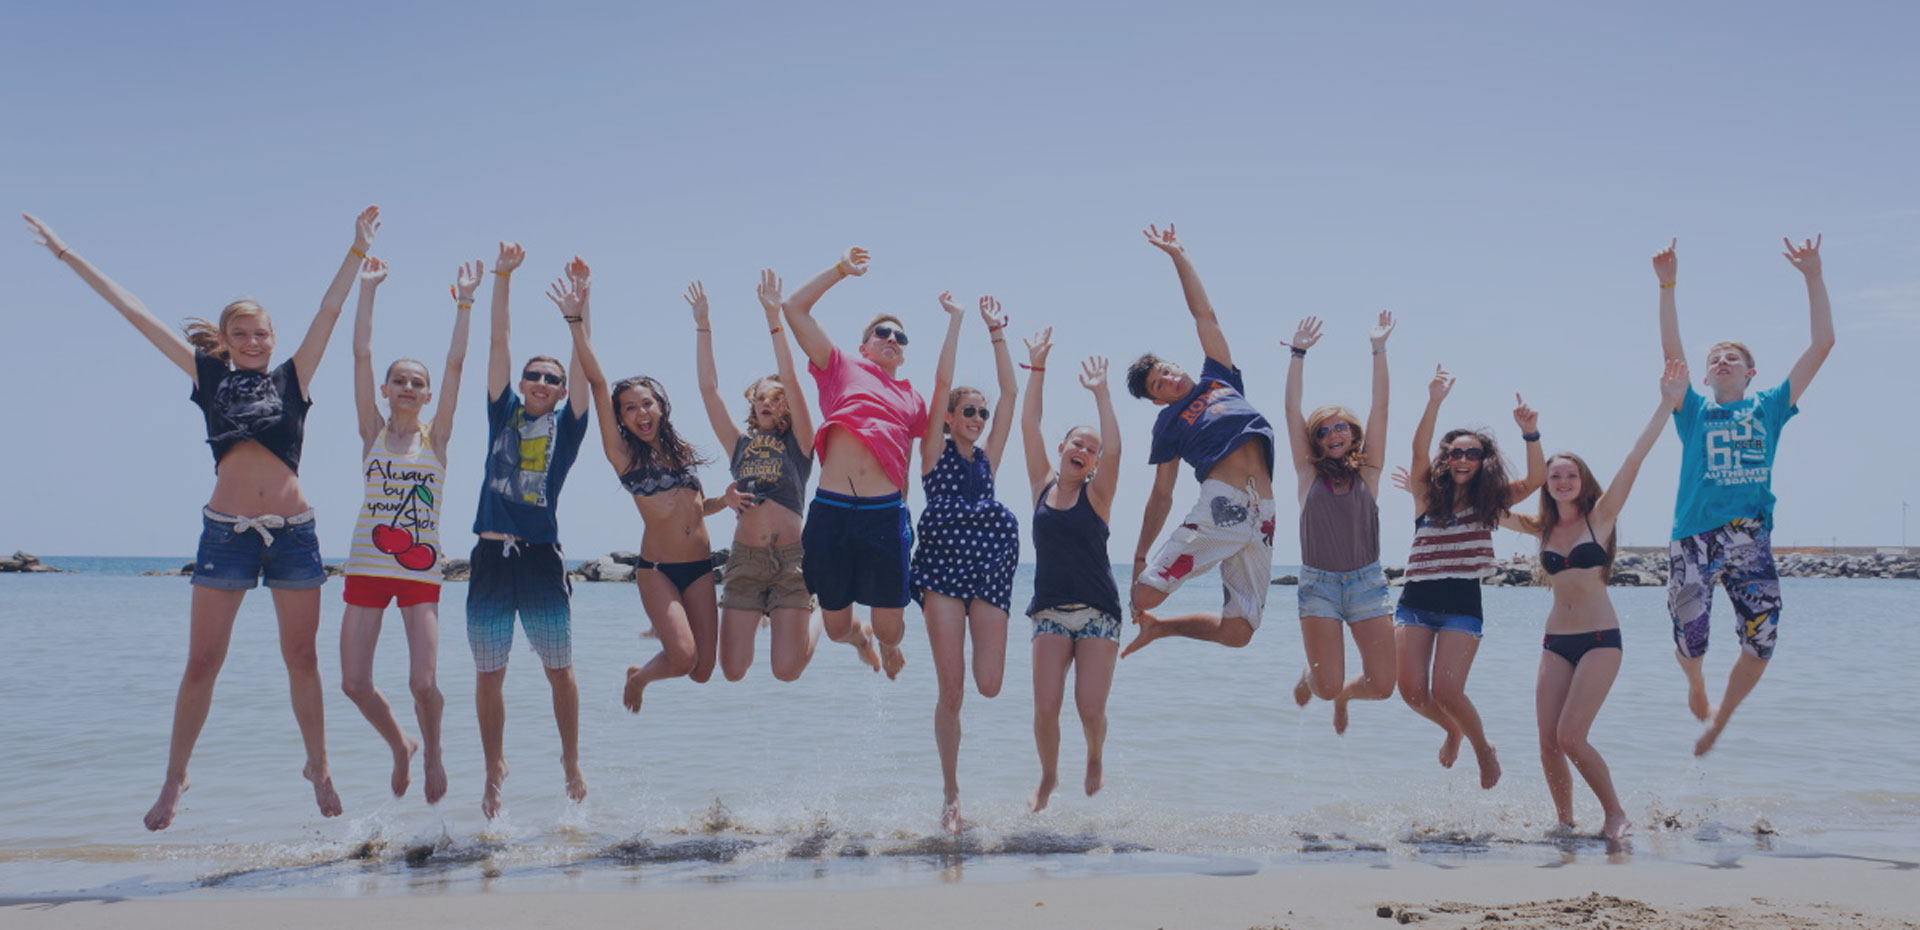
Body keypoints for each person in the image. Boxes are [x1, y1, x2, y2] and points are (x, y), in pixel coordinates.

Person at [25, 207, 379, 830]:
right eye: (240, 334)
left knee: (302, 659)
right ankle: (175, 776)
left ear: (272, 338)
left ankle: (318, 766)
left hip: (295, 538)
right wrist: (65, 254)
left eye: (261, 334)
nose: (252, 342)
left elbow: (328, 312)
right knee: (202, 662)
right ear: (225, 338)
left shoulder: (294, 377)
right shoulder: (206, 373)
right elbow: (134, 313)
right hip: (226, 536)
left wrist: (354, 250)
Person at [1654, 236, 1834, 755]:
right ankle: (1696, 685)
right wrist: (1668, 286)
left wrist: (1813, 276)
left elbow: (1822, 345)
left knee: (1762, 640)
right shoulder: (1693, 412)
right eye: (1716, 358)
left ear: (1750, 373)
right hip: (1693, 538)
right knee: (1691, 638)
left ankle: (1720, 720)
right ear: (1706, 376)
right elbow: (1672, 356)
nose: (1723, 360)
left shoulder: (1770, 407)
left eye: (1733, 357)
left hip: (1751, 539)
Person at [1503, 360, 1688, 843]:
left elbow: (1633, 458)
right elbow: (1484, 508)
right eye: (1555, 476)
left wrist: (1668, 401)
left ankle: (1615, 813)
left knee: (1570, 736)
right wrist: (1530, 436)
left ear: (1582, 480)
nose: (1562, 481)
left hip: (1600, 640)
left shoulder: (1600, 518)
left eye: (1570, 475)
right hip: (1554, 642)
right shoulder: (1539, 526)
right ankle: (1564, 824)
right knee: (1547, 743)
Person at [337, 249, 485, 806]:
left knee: (423, 683)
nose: (407, 387)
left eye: (415, 383)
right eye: (398, 381)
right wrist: (368, 288)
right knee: (353, 683)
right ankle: (402, 745)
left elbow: (456, 367)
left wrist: (465, 303)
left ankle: (436, 754)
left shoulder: (436, 439)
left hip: (422, 571)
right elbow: (359, 352)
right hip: (367, 566)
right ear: (385, 390)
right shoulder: (370, 431)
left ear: (424, 395)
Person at [554, 274, 741, 714]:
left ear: (661, 405)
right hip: (657, 571)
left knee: (701, 670)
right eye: (630, 408)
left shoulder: (681, 454)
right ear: (621, 418)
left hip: (699, 568)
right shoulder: (623, 456)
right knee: (682, 656)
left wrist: (724, 501)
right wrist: (576, 322)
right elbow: (599, 384)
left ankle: (651, 661)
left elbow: (694, 510)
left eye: (647, 403)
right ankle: (638, 678)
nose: (640, 412)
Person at [468, 251, 593, 819]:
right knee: (489, 674)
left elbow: (588, 371)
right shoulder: (502, 414)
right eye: (534, 375)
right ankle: (494, 769)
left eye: (552, 379)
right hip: (491, 559)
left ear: (561, 392)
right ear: (521, 383)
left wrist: (581, 305)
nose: (542, 382)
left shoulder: (568, 429)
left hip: (542, 560)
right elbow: (497, 342)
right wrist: (502, 279)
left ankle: (570, 761)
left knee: (558, 671)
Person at [1122, 224, 1277, 657]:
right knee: (1143, 596)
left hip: (1262, 512)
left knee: (1240, 632)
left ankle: (1160, 630)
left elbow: (1204, 315)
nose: (1170, 380)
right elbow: (1161, 493)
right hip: (1221, 505)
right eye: (1159, 385)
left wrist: (1178, 256)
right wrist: (1138, 557)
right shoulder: (1169, 424)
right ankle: (1126, 619)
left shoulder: (1219, 379)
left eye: (1167, 370)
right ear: (1157, 401)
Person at [1391, 366, 1543, 790]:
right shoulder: (1426, 495)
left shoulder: (1490, 501)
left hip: (1461, 604)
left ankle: (1482, 748)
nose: (1462, 459)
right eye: (1456, 452)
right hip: (1416, 601)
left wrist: (1531, 433)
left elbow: (1535, 480)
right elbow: (1418, 449)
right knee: (1413, 693)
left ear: (1483, 462)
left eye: (1472, 453)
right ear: (1447, 457)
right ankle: (1452, 730)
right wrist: (1434, 401)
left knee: (1448, 692)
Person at [782, 247, 929, 679]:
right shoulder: (840, 366)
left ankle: (885, 641)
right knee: (835, 627)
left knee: (893, 630)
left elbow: (905, 461)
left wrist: (904, 513)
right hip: (833, 511)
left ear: (903, 354)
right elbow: (794, 308)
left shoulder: (913, 399)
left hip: (884, 514)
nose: (891, 340)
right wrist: (841, 270)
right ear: (864, 345)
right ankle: (860, 638)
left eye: (900, 338)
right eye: (883, 332)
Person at [912, 293, 1019, 833]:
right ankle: (951, 795)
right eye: (969, 412)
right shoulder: (935, 454)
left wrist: (996, 331)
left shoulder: (989, 460)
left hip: (992, 571)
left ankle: (961, 791)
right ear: (951, 417)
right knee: (951, 688)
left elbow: (1011, 392)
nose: (978, 419)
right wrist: (956, 322)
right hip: (942, 575)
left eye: (982, 413)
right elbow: (938, 385)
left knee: (991, 684)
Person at [695, 272, 820, 683]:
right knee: (732, 670)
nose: (767, 402)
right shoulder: (739, 444)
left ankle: (820, 612)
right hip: (746, 560)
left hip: (792, 561)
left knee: (786, 671)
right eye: (760, 396)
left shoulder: (800, 444)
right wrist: (704, 326)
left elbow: (794, 377)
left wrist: (774, 318)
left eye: (776, 396)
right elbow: (709, 391)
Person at [1018, 329, 1123, 815]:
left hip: (1099, 613)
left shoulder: (1097, 497)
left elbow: (1117, 450)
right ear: (1063, 447)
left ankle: (1095, 755)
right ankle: (1048, 776)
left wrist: (1101, 394)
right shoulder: (1042, 485)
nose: (1083, 450)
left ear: (1096, 463)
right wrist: (1037, 369)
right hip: (1049, 613)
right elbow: (1028, 426)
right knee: (1044, 708)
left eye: (1092, 449)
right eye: (1077, 443)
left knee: (1089, 709)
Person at [1283, 312, 1398, 734]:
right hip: (1320, 586)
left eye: (1341, 427)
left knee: (1384, 686)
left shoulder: (1369, 472)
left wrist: (1378, 348)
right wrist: (1298, 353)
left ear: (1352, 433)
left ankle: (1348, 694)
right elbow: (1291, 407)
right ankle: (1313, 679)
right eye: (1323, 431)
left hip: (1368, 583)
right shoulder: (1306, 474)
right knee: (1325, 686)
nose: (1333, 433)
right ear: (1315, 441)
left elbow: (1381, 406)